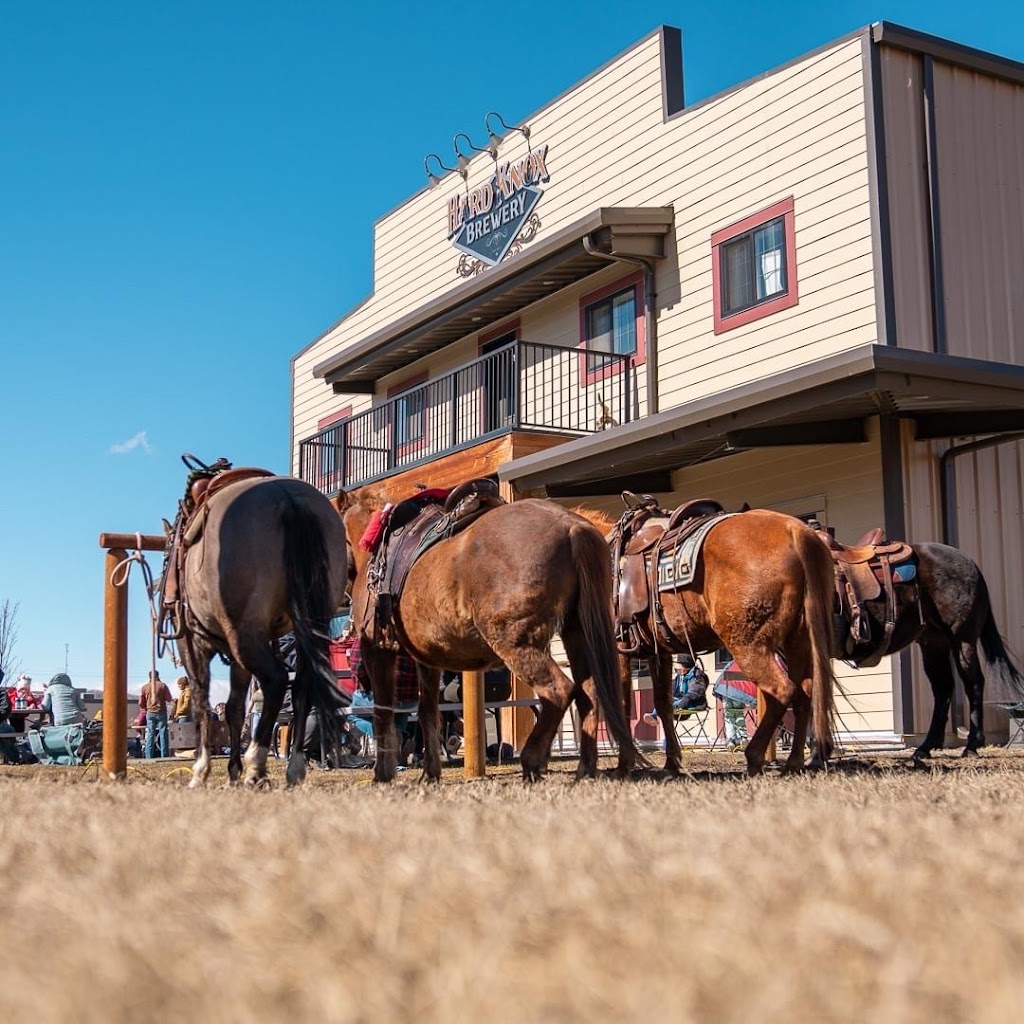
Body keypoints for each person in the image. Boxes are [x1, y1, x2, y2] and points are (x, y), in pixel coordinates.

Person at [642, 653, 709, 728]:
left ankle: (666, 735)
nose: (678, 671)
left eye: (680, 668)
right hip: (679, 700)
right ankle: (654, 716)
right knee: (663, 702)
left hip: (693, 703)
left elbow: (695, 692)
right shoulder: (680, 676)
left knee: (669, 706)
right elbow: (673, 689)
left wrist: (684, 702)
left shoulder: (697, 677)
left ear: (686, 666)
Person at [712, 659, 758, 750]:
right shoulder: (748, 665)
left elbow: (722, 676)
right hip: (739, 694)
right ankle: (743, 737)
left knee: (729, 715)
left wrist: (715, 689)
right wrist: (753, 700)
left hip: (726, 690)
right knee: (738, 713)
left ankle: (731, 739)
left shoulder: (732, 663)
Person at [139, 670, 173, 758]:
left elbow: (140, 702)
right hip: (161, 711)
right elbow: (169, 698)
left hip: (150, 712)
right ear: (158, 675)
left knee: (150, 734)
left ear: (149, 677)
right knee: (163, 733)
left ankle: (148, 756)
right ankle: (164, 755)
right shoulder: (163, 686)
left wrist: (146, 707)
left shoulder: (145, 687)